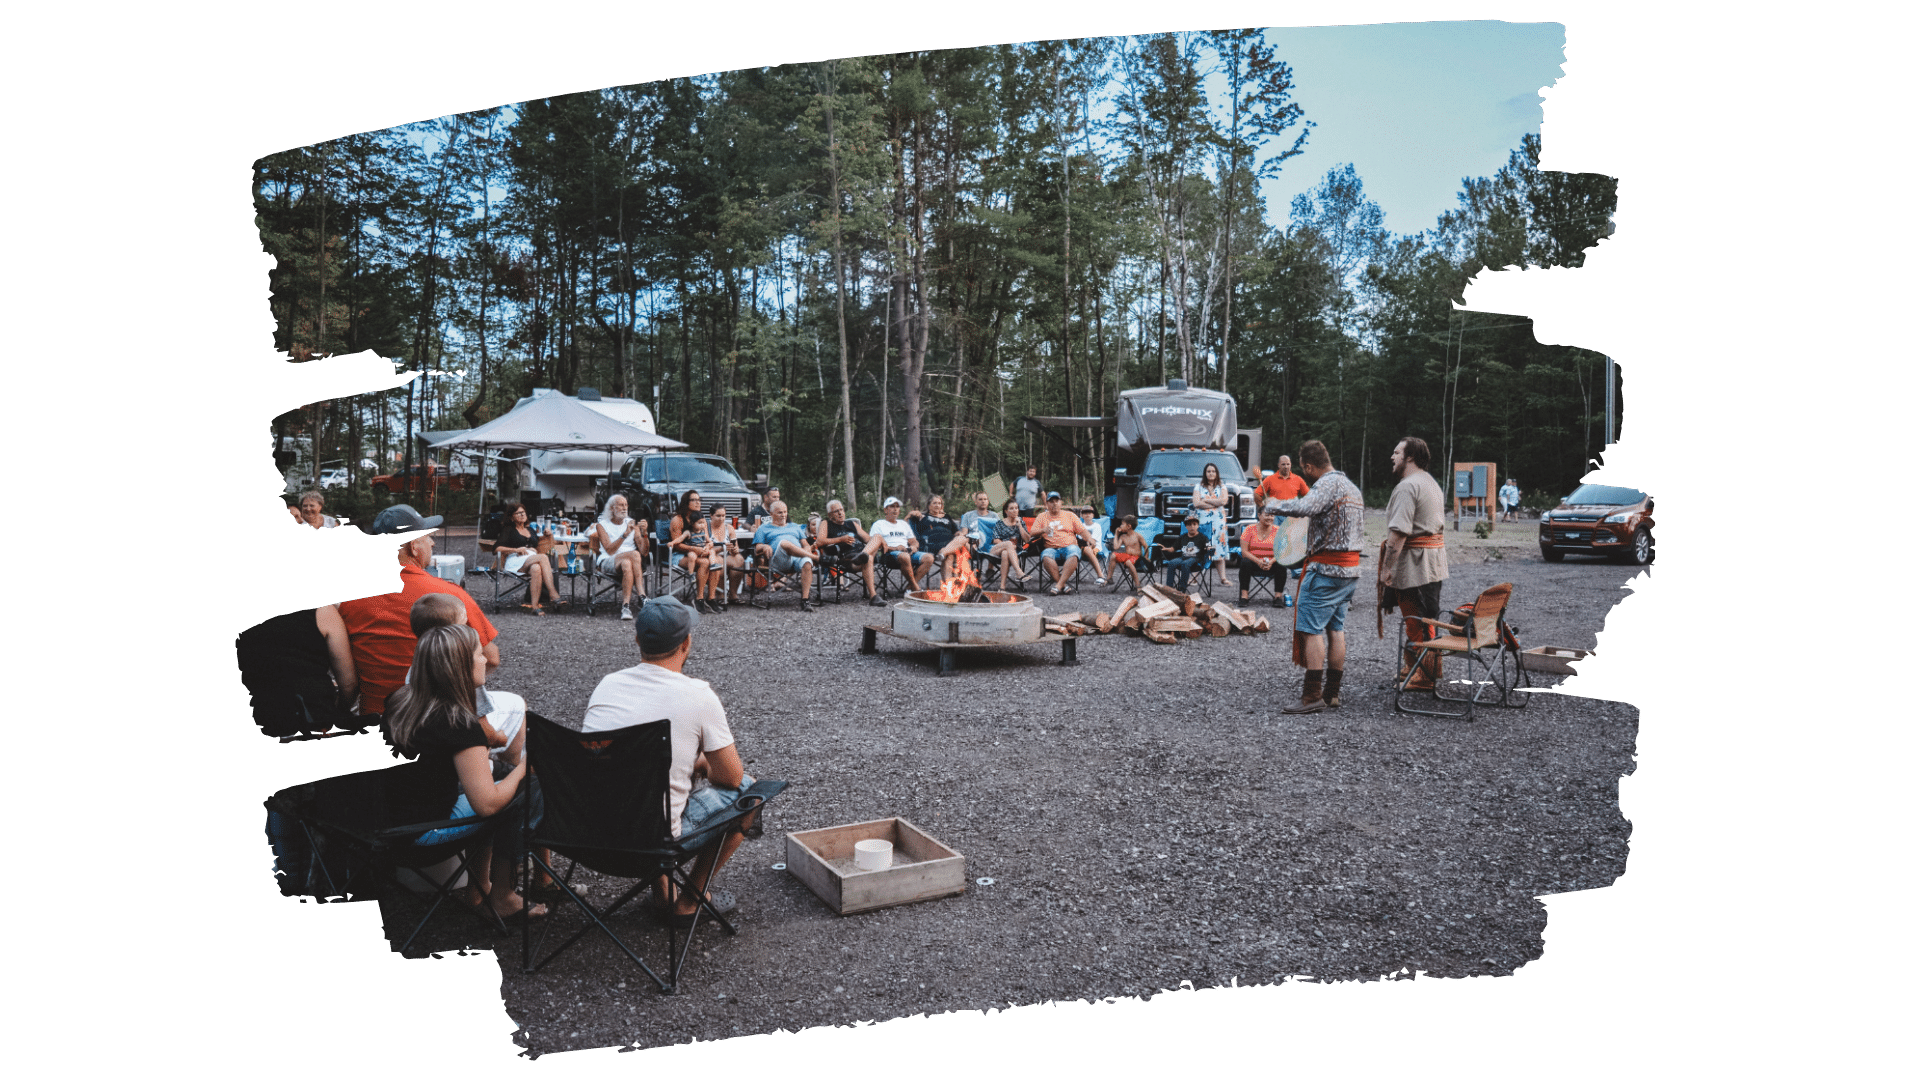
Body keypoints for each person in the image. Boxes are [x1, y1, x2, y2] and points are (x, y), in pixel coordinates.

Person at [581, 596, 760, 928]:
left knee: (651, 783)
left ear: (637, 640)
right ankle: (689, 901)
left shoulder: (608, 685)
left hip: (589, 837)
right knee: (750, 794)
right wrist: (700, 763)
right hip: (654, 843)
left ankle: (663, 894)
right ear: (686, 643)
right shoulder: (698, 696)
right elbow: (732, 778)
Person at [382, 623, 544, 923]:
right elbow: (487, 805)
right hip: (420, 836)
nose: (485, 659)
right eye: (478, 654)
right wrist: (524, 768)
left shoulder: (400, 701)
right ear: (459, 668)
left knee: (497, 777)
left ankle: (479, 887)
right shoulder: (459, 723)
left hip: (380, 823)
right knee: (528, 788)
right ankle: (503, 896)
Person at [337, 504, 501, 720]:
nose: (433, 542)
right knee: (517, 707)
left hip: (375, 718)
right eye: (428, 537)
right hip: (435, 718)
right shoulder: (449, 595)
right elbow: (491, 658)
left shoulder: (349, 598)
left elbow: (348, 676)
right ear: (414, 547)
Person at [1269, 440, 1366, 714]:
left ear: (1309, 466)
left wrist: (1271, 505)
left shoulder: (1326, 485)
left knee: (1311, 630)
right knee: (1336, 629)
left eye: (1303, 469)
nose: (1304, 474)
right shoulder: (1352, 487)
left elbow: (1303, 508)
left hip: (1326, 570)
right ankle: (1332, 693)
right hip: (1350, 572)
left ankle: (1312, 696)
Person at [1378, 436, 1450, 692]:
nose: (1392, 457)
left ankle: (1426, 673)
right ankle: (1414, 664)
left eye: (1397, 452)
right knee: (1418, 616)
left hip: (1416, 563)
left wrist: (1386, 569)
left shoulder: (1408, 486)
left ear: (1409, 457)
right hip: (1431, 562)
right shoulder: (1430, 482)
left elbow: (1398, 533)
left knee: (1418, 618)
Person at [234, 604, 359, 739]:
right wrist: (339, 711)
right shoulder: (323, 612)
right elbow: (349, 684)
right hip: (316, 717)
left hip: (263, 720)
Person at [494, 503, 563, 615]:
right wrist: (516, 549)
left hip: (531, 560)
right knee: (543, 557)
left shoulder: (530, 530)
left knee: (536, 568)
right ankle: (553, 593)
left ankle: (535, 607)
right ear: (512, 517)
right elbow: (496, 548)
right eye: (518, 513)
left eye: (523, 512)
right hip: (515, 561)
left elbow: (538, 544)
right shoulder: (508, 530)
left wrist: (546, 536)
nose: (522, 515)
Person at [752, 499, 820, 610]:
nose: (783, 515)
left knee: (807, 562)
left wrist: (807, 550)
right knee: (784, 543)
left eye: (785, 512)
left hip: (796, 558)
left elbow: (806, 544)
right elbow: (757, 548)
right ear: (771, 514)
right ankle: (816, 558)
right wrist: (764, 546)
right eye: (780, 512)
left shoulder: (794, 526)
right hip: (778, 560)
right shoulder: (763, 528)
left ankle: (805, 601)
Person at [591, 494, 648, 620]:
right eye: (621, 505)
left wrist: (644, 533)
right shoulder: (602, 525)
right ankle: (642, 595)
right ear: (612, 508)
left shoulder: (632, 523)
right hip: (608, 560)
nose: (625, 508)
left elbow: (644, 552)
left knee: (627, 563)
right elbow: (610, 550)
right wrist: (625, 534)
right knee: (635, 554)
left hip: (631, 562)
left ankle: (625, 607)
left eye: (626, 505)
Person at [814, 499, 882, 605]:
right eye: (836, 511)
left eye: (841, 510)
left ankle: (863, 554)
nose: (840, 513)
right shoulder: (826, 523)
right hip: (847, 558)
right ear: (830, 515)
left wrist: (881, 541)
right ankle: (873, 596)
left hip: (861, 554)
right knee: (869, 558)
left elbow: (868, 539)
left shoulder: (852, 524)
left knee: (877, 537)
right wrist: (840, 539)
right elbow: (819, 542)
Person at [1030, 491, 1091, 595]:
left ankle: (1058, 586)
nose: (1054, 504)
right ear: (1047, 504)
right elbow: (1032, 533)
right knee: (1046, 556)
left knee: (1074, 553)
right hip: (1051, 548)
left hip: (1069, 547)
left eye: (1056, 501)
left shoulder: (1070, 515)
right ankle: (1063, 585)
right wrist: (1043, 530)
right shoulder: (1041, 516)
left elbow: (1082, 531)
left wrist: (1090, 539)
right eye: (1051, 502)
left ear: (1061, 503)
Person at [864, 496, 928, 594]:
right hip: (889, 555)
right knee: (905, 556)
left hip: (907, 552)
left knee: (928, 558)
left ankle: (909, 588)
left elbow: (914, 541)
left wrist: (913, 547)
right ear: (885, 510)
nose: (895, 509)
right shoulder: (879, 524)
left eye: (897, 507)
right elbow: (874, 545)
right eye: (892, 506)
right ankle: (915, 588)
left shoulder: (903, 524)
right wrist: (895, 548)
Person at [669, 491, 718, 613]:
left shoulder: (701, 519)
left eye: (699, 500)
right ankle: (699, 598)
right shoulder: (678, 520)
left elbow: (706, 539)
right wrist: (694, 549)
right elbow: (677, 544)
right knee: (705, 563)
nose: (698, 502)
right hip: (680, 555)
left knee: (716, 561)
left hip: (699, 552)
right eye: (694, 500)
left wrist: (708, 546)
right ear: (686, 502)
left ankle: (711, 598)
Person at [909, 495, 973, 577]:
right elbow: (906, 525)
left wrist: (958, 533)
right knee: (951, 554)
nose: (937, 505)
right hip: (932, 543)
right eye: (934, 503)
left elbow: (955, 531)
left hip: (949, 543)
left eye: (939, 503)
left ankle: (943, 554)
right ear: (929, 505)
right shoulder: (922, 516)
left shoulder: (946, 516)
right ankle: (945, 554)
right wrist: (911, 514)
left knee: (961, 539)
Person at [1191, 462, 1232, 586]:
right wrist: (1215, 503)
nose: (1211, 473)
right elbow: (1196, 503)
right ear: (1205, 473)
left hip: (1219, 524)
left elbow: (1224, 501)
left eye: (1213, 471)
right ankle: (1194, 578)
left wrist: (1206, 500)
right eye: (1208, 471)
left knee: (1219, 549)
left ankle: (1223, 578)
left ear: (1217, 473)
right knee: (1201, 549)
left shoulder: (1222, 486)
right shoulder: (1198, 487)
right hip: (1203, 524)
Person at [1238, 501, 1286, 605]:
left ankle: (1278, 597)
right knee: (1245, 562)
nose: (1270, 518)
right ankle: (1244, 596)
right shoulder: (1249, 529)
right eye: (1267, 515)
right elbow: (1244, 552)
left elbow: (1282, 553)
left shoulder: (1278, 531)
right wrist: (1259, 561)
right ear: (1259, 515)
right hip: (1253, 563)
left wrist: (1271, 562)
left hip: (1272, 563)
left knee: (1281, 563)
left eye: (1272, 515)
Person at [1154, 511, 1213, 592]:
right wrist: (1166, 548)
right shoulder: (1183, 537)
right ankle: (1169, 588)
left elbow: (1209, 547)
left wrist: (1209, 549)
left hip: (1196, 560)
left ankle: (1182, 589)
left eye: (1194, 524)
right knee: (1172, 563)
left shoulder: (1203, 537)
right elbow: (1173, 548)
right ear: (1186, 526)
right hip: (1183, 557)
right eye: (1189, 525)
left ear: (1198, 525)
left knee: (1185, 564)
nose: (1192, 527)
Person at [1109, 515, 1148, 591]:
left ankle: (1138, 585)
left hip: (1136, 557)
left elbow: (1145, 546)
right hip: (1127, 556)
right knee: (1113, 555)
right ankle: (1109, 578)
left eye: (1122, 524)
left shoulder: (1138, 536)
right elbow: (1116, 547)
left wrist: (1146, 557)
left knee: (1128, 562)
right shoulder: (1123, 536)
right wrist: (1116, 534)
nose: (1120, 526)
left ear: (1129, 526)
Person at [1076, 506, 1110, 585]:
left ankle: (1101, 576)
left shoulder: (1096, 526)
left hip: (1096, 548)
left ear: (1093, 515)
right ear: (1082, 515)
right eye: (1085, 513)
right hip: (1081, 548)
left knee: (1088, 549)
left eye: (1090, 513)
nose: (1087, 514)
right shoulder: (1080, 526)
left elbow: (1093, 543)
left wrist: (1087, 547)